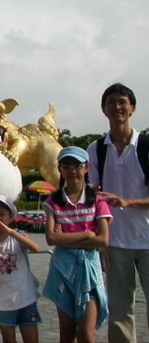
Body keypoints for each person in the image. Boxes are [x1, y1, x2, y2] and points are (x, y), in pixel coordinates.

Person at [87, 83, 149, 342]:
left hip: (147, 240)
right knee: (120, 311)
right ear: (104, 109)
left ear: (132, 108)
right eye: (111, 102)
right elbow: (91, 198)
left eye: (122, 101)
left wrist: (127, 201)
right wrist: (99, 241)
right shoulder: (96, 149)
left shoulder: (145, 146)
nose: (117, 106)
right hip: (115, 243)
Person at [43, 146, 111, 343]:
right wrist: (87, 235)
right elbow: (51, 239)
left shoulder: (96, 199)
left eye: (77, 166)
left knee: (86, 334)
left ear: (86, 168)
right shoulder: (53, 201)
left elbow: (103, 239)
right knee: (66, 332)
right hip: (62, 269)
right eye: (67, 165)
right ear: (60, 169)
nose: (72, 171)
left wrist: (67, 238)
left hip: (88, 268)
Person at [0, 195, 41, 343]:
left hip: (26, 299)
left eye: (2, 214)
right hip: (3, 303)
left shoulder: (17, 238)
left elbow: (36, 249)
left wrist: (12, 232)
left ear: (10, 217)